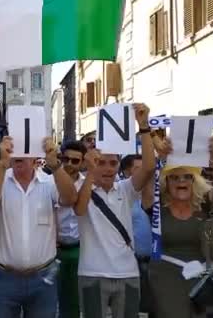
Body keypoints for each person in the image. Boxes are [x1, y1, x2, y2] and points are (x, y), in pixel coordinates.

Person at [74, 103, 156, 318]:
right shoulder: (82, 186)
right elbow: (80, 210)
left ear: (119, 166)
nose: (108, 168)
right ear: (93, 164)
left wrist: (144, 126)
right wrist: (90, 173)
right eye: (102, 163)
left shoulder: (126, 189)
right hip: (92, 274)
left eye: (112, 163)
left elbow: (148, 167)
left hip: (128, 273)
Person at [0, 135, 78, 318]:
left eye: (25, 152)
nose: (20, 155)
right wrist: (2, 163)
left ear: (35, 157)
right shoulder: (0, 178)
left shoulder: (49, 182)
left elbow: (70, 199)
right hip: (4, 277)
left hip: (43, 279)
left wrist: (56, 166)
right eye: (15, 151)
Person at [143, 137, 213, 318]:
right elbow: (147, 183)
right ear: (166, 182)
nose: (181, 181)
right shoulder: (157, 206)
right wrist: (159, 159)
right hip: (164, 278)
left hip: (201, 280)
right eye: (174, 177)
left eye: (187, 177)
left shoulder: (206, 206)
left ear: (195, 182)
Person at [119, 154, 155, 317]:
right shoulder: (120, 195)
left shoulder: (158, 196)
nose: (145, 172)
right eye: (138, 169)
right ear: (126, 173)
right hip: (130, 265)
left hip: (155, 264)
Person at [56, 141, 87, 318]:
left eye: (75, 161)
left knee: (73, 302)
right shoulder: (47, 181)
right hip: (52, 250)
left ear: (82, 162)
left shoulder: (89, 184)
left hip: (79, 249)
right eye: (65, 159)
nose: (69, 164)